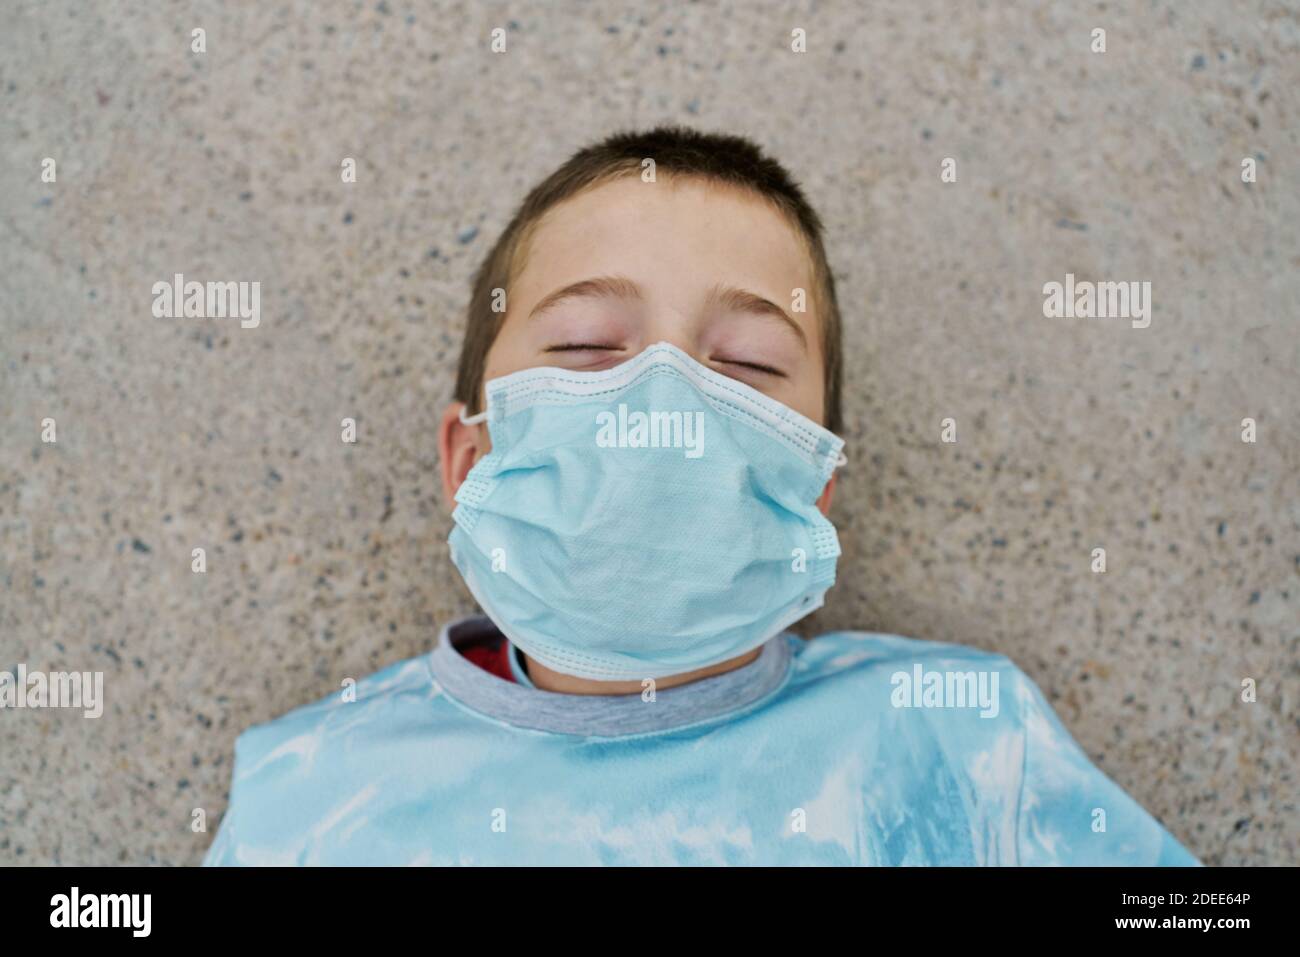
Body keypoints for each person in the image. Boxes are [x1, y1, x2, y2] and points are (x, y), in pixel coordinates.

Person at [204, 127, 1199, 865]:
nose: (667, 397)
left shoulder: (960, 736)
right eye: (589, 346)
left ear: (815, 484)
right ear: (469, 462)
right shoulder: (306, 799)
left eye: (747, 364)